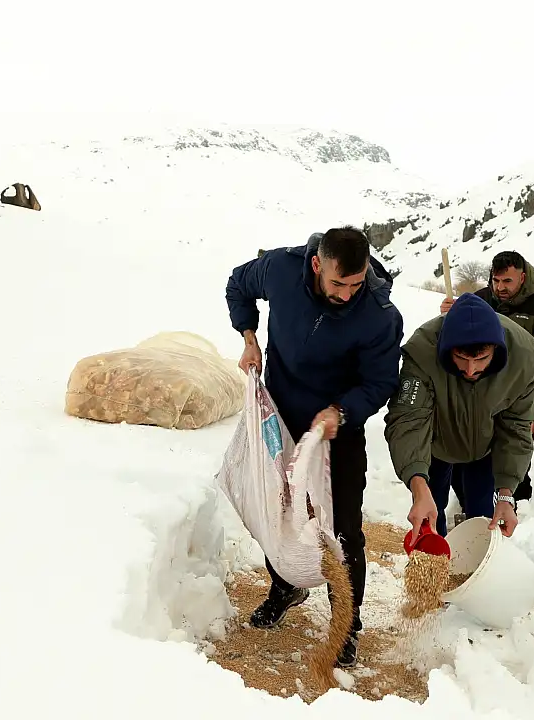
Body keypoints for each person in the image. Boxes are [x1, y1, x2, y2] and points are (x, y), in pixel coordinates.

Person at [224, 226, 404, 668]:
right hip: (280, 419)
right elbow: (237, 285)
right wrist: (249, 338)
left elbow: (380, 381)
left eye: (356, 284)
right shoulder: (281, 269)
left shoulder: (380, 314)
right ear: (317, 265)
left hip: (336, 429)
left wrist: (341, 412)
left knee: (342, 527)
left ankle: (347, 621)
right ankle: (286, 587)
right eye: (338, 284)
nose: (346, 294)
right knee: (279, 508)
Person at [384, 292, 534, 538]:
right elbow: (408, 420)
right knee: (430, 505)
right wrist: (417, 483)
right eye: (461, 358)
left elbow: (517, 427)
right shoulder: (422, 351)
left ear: (496, 350)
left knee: (481, 513)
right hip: (436, 442)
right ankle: (433, 559)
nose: (470, 370)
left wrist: (506, 492)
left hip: (485, 444)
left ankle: (474, 562)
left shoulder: (524, 358)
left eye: (481, 359)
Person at [441, 250, 534, 508]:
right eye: (496, 281)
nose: (500, 288)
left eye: (507, 281)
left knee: (514, 454)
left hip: (518, 396)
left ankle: (518, 508)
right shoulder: (479, 301)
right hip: (477, 395)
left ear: (522, 276)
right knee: (470, 457)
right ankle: (471, 508)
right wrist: (448, 316)